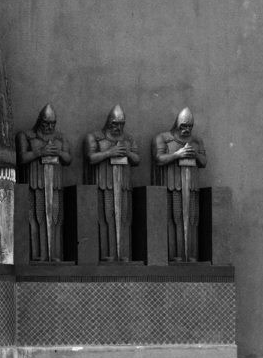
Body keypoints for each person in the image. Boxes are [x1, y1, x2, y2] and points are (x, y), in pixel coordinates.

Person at [17, 103, 71, 262]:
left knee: (56, 218)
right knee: (35, 217)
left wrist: (58, 152)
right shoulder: (26, 136)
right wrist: (40, 152)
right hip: (35, 184)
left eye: (52, 123)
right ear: (40, 121)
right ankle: (36, 255)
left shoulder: (61, 138)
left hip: (55, 184)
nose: (49, 126)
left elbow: (68, 159)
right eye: (46, 123)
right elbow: (22, 158)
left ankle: (54, 254)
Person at [86, 105, 140, 263]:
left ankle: (123, 253)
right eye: (115, 123)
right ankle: (105, 254)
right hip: (103, 184)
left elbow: (137, 160)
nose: (118, 127)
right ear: (108, 122)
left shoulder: (128, 139)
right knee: (104, 216)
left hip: (123, 185)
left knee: (124, 217)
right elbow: (90, 157)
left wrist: (127, 152)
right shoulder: (94, 137)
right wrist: (109, 153)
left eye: (121, 124)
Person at [153, 107, 207, 263]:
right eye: (183, 126)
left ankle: (190, 254)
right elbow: (159, 159)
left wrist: (194, 154)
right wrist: (178, 154)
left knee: (192, 219)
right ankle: (173, 254)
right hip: (172, 185)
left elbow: (203, 162)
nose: (186, 129)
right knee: (173, 217)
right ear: (177, 124)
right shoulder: (163, 138)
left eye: (189, 126)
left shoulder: (197, 141)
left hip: (191, 187)